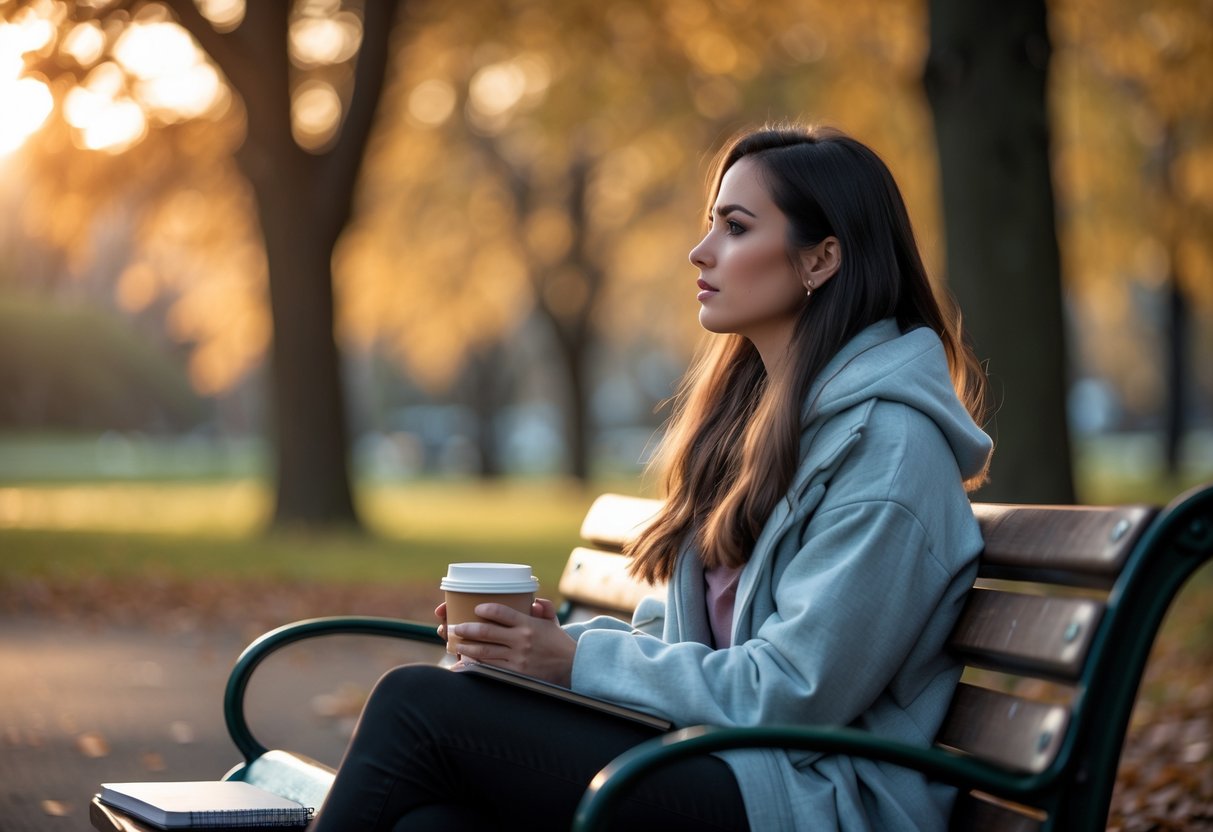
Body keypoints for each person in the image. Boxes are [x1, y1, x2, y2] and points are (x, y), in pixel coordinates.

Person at [310, 123, 993, 832]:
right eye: (711, 225)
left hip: (813, 800)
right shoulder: (755, 423)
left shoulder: (889, 448)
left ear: (820, 259)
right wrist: (535, 654)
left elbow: (794, 691)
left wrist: (575, 662)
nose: (700, 252)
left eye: (735, 227)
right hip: (726, 763)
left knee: (416, 707)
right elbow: (686, 641)